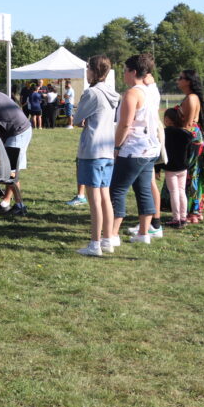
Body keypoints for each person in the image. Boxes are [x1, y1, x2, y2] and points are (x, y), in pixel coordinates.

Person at [109, 53, 161, 246]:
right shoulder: (150, 91)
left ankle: (112, 234)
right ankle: (144, 232)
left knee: (117, 190)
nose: (123, 74)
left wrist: (116, 146)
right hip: (150, 148)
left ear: (133, 72)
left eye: (125, 70)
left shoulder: (132, 93)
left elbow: (125, 124)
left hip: (134, 148)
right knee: (144, 189)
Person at [72, 55, 121, 257]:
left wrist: (81, 120)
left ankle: (95, 243)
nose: (86, 72)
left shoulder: (91, 93)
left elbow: (76, 119)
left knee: (94, 201)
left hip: (92, 150)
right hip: (108, 149)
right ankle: (108, 239)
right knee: (105, 197)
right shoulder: (113, 93)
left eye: (88, 68)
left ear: (94, 70)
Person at [0, 85, 32, 216]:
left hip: (17, 131)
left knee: (12, 171)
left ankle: (19, 205)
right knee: (12, 170)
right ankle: (5, 203)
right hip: (20, 128)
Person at [177, 69, 204, 222]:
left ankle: (193, 212)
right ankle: (195, 211)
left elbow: (188, 124)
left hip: (190, 138)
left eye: (181, 78)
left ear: (188, 81)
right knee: (193, 173)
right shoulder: (192, 97)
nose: (178, 80)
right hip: (194, 137)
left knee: (191, 175)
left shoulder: (191, 98)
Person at [161, 107, 198, 228]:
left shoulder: (165, 133)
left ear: (167, 120)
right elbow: (191, 150)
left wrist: (158, 168)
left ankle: (176, 218)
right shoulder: (187, 134)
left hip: (170, 168)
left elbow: (161, 152)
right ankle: (183, 216)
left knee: (173, 192)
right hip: (183, 167)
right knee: (182, 191)